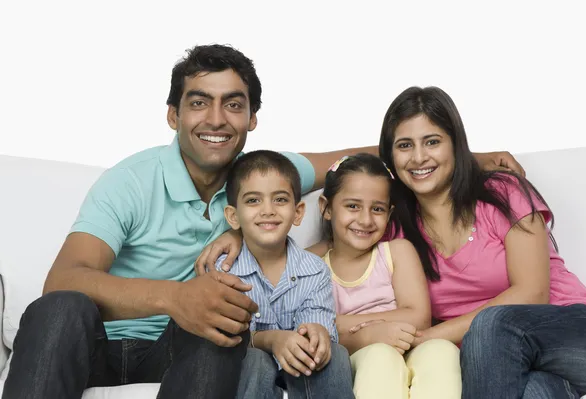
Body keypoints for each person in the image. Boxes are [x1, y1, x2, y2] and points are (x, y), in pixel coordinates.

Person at [2, 41, 523, 398]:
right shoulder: (130, 181)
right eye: (198, 103)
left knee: (218, 327)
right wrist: (174, 296)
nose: (215, 119)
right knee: (61, 308)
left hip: (183, 349)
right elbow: (62, 280)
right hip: (105, 341)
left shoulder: (265, 179)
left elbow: (359, 162)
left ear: (252, 118)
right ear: (173, 115)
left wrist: (471, 159)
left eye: (234, 105)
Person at [378, 86, 586, 398]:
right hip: (502, 367)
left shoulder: (502, 192)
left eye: (432, 141)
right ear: (390, 156)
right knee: (538, 392)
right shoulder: (395, 231)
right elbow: (337, 242)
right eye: (404, 145)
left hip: (578, 334)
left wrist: (431, 336)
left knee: (492, 324)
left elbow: (532, 291)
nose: (418, 157)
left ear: (456, 145)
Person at [311, 153, 461, 399]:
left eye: (377, 209)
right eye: (352, 206)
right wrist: (368, 335)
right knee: (381, 356)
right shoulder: (313, 266)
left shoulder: (396, 251)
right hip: (359, 355)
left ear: (389, 214)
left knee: (443, 351)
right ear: (326, 208)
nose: (366, 219)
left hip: (410, 347)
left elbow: (418, 317)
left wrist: (350, 324)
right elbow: (317, 326)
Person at [214, 150, 354, 398]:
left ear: (297, 212)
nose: (268, 210)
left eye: (279, 199)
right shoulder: (223, 271)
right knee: (255, 359)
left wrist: (318, 334)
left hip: (300, 366)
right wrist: (271, 340)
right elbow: (226, 340)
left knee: (336, 353)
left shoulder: (314, 269)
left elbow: (317, 318)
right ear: (233, 217)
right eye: (253, 201)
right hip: (246, 368)